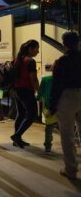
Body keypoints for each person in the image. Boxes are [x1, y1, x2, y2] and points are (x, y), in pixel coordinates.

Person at [49, 32, 81, 180]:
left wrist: (52, 106)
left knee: (67, 135)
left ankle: (71, 169)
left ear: (64, 44)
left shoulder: (62, 60)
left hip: (67, 97)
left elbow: (57, 85)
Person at [10, 40, 39, 148]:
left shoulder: (18, 59)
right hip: (26, 90)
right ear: (30, 49)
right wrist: (38, 89)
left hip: (16, 90)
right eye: (36, 48)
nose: (38, 51)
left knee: (21, 114)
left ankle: (17, 140)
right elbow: (33, 78)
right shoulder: (30, 61)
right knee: (32, 114)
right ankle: (17, 136)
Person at [37, 61, 58, 154]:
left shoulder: (45, 80)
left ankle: (48, 147)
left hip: (49, 107)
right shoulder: (64, 81)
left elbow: (39, 94)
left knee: (49, 129)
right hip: (62, 107)